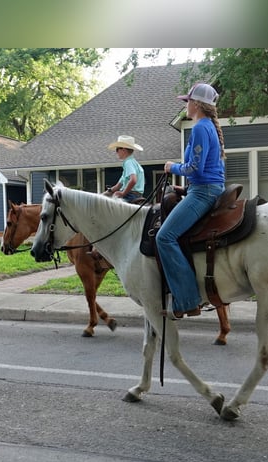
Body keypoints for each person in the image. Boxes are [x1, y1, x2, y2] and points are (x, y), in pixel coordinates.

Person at [156, 83, 225, 319]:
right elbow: (204, 169)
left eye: (187, 101)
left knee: (164, 237)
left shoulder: (199, 128)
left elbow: (195, 166)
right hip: (204, 188)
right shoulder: (208, 127)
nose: (185, 105)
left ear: (196, 104)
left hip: (204, 191)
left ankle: (187, 299)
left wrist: (171, 166)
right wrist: (185, 188)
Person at [106, 135, 145, 202]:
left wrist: (123, 193)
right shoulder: (133, 163)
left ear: (123, 150)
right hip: (137, 195)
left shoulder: (128, 163)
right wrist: (103, 194)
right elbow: (118, 186)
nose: (116, 152)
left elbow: (133, 180)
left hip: (130, 195)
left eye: (117, 149)